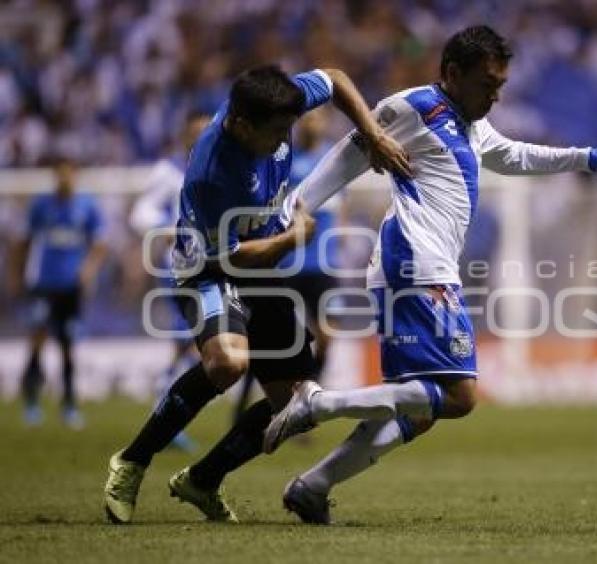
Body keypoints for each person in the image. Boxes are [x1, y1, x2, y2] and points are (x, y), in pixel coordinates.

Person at [262, 25, 597, 524]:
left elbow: (513, 155)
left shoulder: (470, 123)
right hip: (415, 262)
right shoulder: (413, 108)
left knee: (418, 413)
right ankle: (318, 402)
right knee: (459, 396)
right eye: (487, 83)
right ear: (452, 73)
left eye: (501, 86)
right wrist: (295, 211)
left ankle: (313, 487)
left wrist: (590, 158)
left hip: (418, 266)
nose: (495, 95)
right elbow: (347, 157)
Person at [103, 64, 410, 524]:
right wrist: (294, 238)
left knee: (293, 404)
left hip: (260, 269)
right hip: (208, 269)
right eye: (277, 132)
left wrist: (372, 134)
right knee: (228, 363)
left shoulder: (272, 104)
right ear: (243, 125)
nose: (285, 138)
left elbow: (336, 77)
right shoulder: (213, 173)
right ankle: (132, 461)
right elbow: (233, 258)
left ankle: (202, 480)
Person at [232, 108, 342, 420]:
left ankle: (307, 405)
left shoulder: (333, 159)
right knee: (271, 341)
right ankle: (243, 409)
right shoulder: (284, 160)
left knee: (327, 336)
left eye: (319, 118)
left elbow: (340, 210)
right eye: (307, 119)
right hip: (287, 261)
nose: (313, 124)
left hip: (323, 264)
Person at [129, 111, 210, 452]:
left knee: (195, 342)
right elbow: (141, 212)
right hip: (177, 266)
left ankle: (166, 396)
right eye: (196, 132)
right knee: (194, 338)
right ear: (184, 135)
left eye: (207, 131)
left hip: (211, 264)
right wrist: (163, 227)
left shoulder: (216, 167)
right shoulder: (169, 171)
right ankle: (167, 401)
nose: (201, 137)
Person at [10, 158, 107, 429]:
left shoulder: (87, 206)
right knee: (37, 340)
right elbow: (24, 241)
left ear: (75, 175)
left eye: (69, 174)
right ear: (55, 176)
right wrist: (16, 275)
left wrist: (88, 269)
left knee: (67, 345)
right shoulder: (41, 205)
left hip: (71, 286)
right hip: (43, 283)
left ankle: (69, 405)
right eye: (60, 174)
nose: (65, 179)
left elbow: (100, 244)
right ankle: (31, 402)